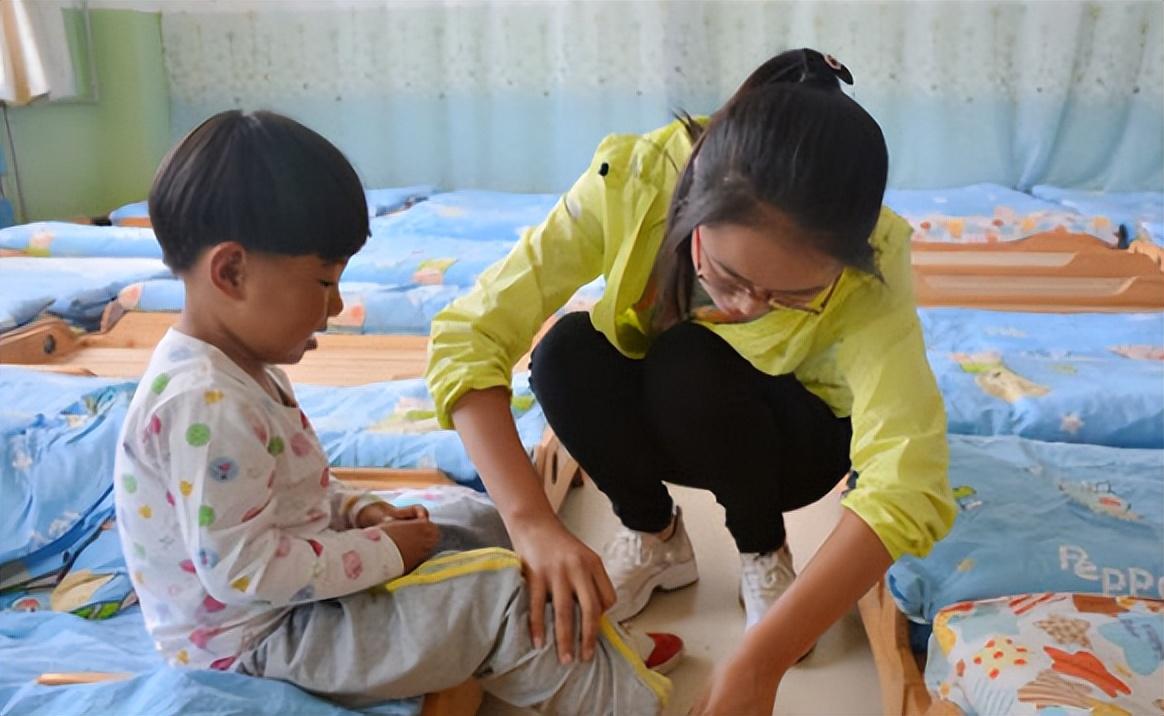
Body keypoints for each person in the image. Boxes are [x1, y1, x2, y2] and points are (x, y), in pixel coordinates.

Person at [426, 48, 955, 713]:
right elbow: (470, 333)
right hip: (682, 411)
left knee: (692, 359)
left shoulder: (873, 261)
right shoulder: (635, 178)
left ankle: (763, 550)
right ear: (694, 201)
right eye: (728, 277)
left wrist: (760, 665)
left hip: (792, 442)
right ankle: (654, 535)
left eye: (792, 296)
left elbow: (908, 477)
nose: (747, 306)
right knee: (565, 353)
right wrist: (530, 520)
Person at [113, 109, 679, 714]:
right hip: (260, 642)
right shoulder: (204, 403)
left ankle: (589, 645)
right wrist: (386, 552)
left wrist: (360, 511)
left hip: (289, 603)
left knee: (476, 521)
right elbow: (245, 571)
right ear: (231, 271)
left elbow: (275, 499)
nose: (334, 307)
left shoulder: (240, 372)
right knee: (495, 592)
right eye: (323, 283)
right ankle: (626, 699)